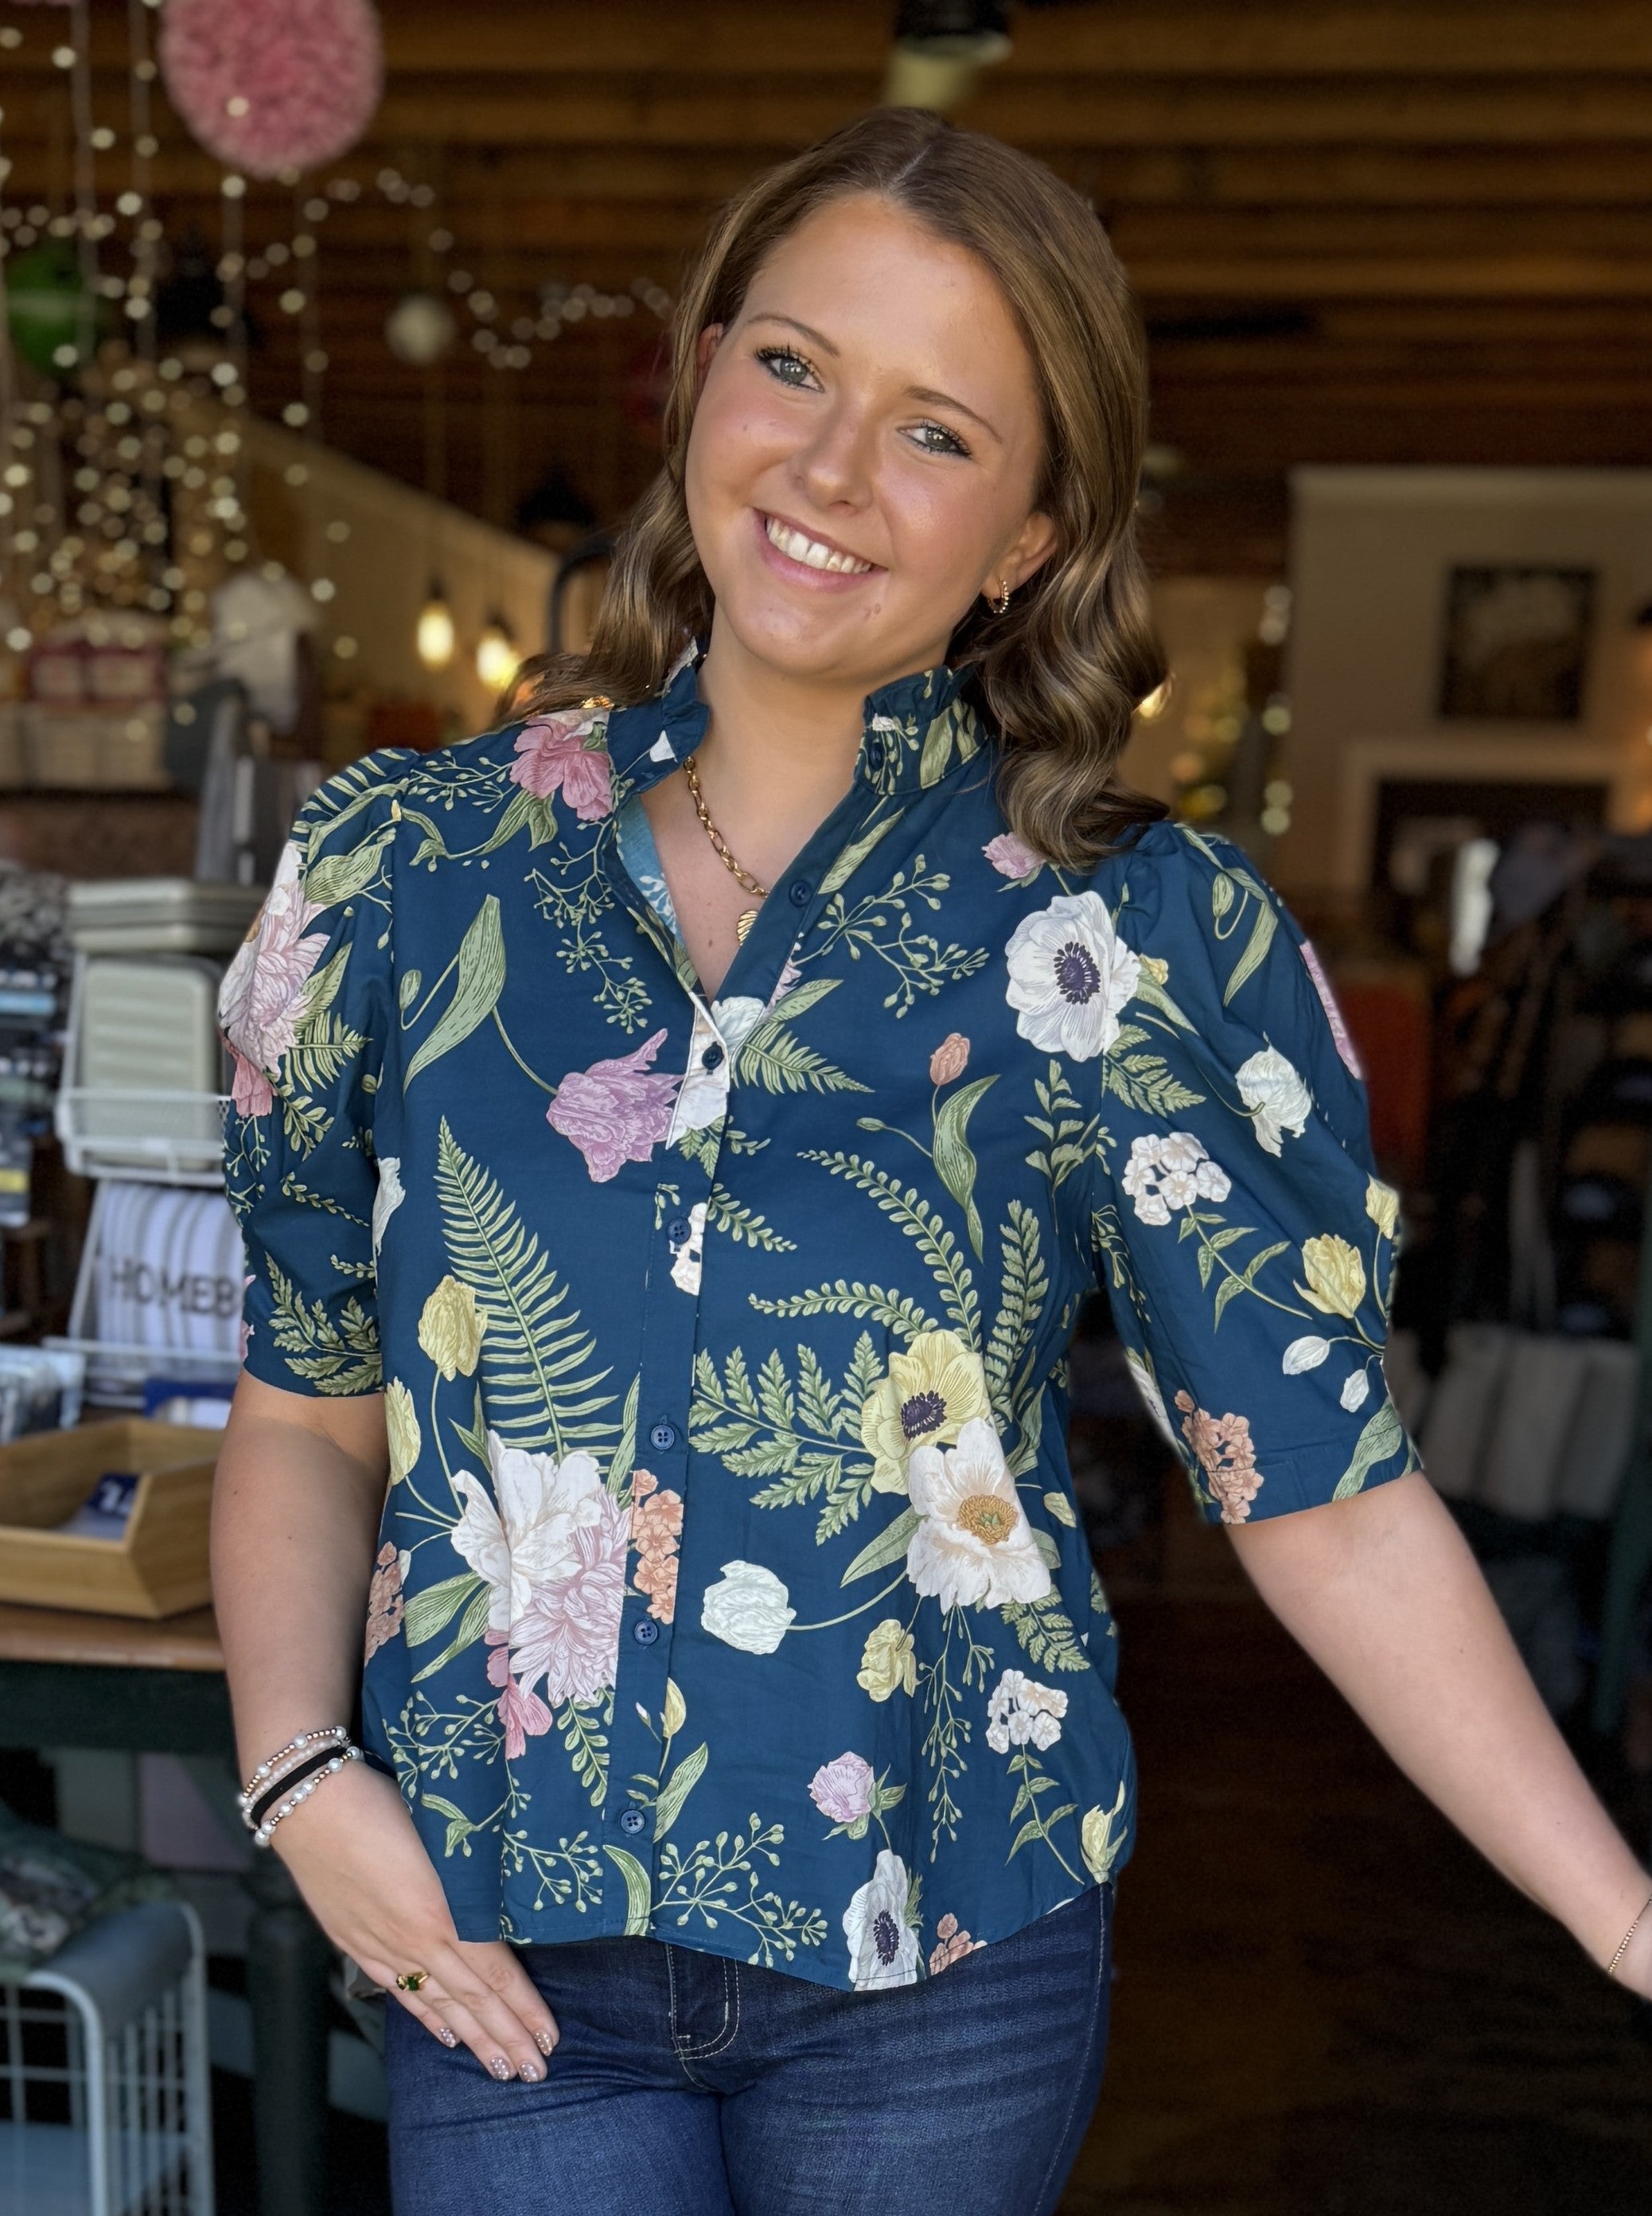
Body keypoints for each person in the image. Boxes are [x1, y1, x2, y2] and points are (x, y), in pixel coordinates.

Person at [211, 109, 1652, 2216]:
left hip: (941, 1948)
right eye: (791, 365)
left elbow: (1319, 1498)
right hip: (501, 1940)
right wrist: (300, 1772)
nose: (826, 471)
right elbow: (307, 1401)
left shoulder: (1124, 939)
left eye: (935, 432)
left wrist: (1624, 1923)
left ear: (1032, 543)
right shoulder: (401, 871)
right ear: (703, 372)